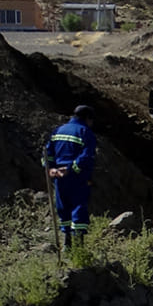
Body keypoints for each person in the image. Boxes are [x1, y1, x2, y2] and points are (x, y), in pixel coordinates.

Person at [44, 104, 98, 249]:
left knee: (64, 207)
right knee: (78, 208)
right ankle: (78, 247)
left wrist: (50, 169)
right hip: (77, 178)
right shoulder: (85, 132)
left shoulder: (58, 131)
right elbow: (86, 157)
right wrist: (71, 169)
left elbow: (47, 153)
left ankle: (67, 243)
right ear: (87, 118)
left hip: (59, 178)